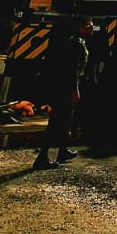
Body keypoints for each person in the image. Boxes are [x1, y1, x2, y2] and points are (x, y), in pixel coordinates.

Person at [34, 18, 92, 171]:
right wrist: (74, 90)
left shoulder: (75, 42)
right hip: (64, 89)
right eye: (89, 27)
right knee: (56, 122)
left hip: (63, 87)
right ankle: (42, 158)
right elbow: (71, 70)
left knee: (66, 121)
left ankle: (62, 151)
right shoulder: (75, 45)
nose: (92, 29)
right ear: (81, 28)